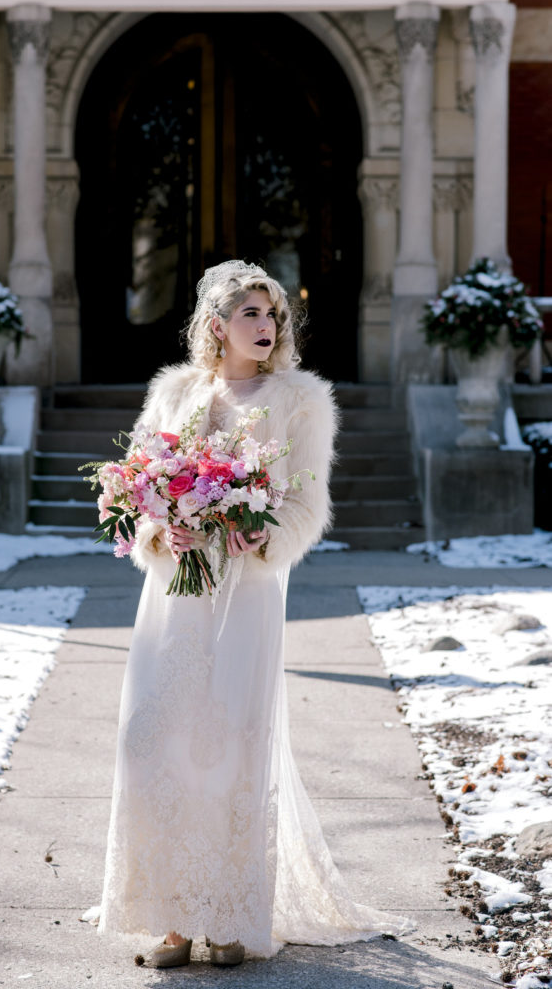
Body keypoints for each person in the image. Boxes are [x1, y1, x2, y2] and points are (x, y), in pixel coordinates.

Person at [96, 260, 411, 967]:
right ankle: (170, 920)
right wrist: (157, 528)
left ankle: (231, 916)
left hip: (248, 589)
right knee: (152, 741)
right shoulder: (174, 393)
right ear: (217, 325)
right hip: (176, 591)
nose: (266, 327)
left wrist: (267, 533)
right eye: (251, 315)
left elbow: (308, 502)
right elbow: (128, 488)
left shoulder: (301, 401)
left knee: (230, 741)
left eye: (273, 316)